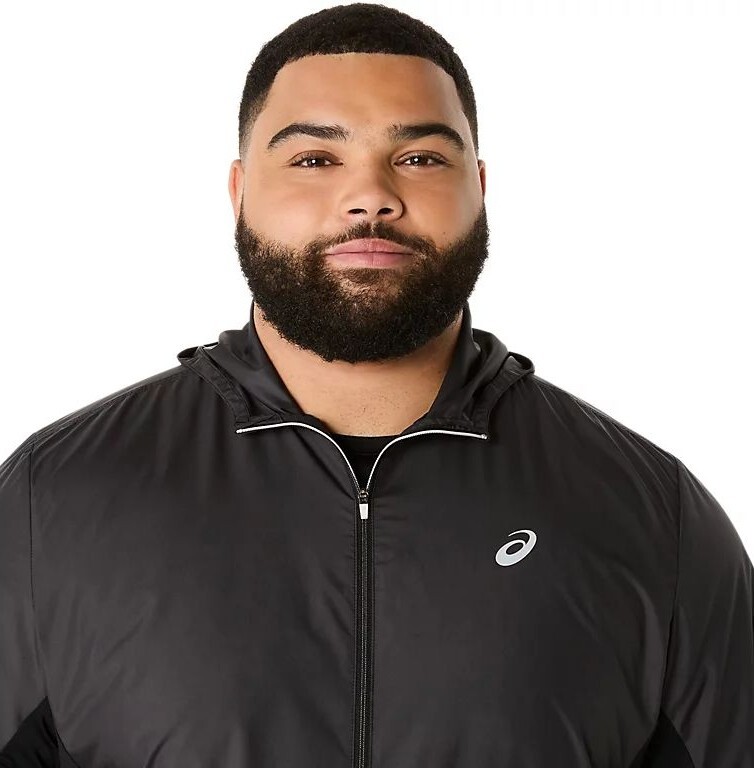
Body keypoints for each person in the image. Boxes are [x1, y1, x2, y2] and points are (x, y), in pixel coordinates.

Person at [1, 3, 751, 766]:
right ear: (239, 191)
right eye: (314, 159)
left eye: (420, 158)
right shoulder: (52, 500)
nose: (370, 197)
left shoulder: (651, 516)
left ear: (479, 187)